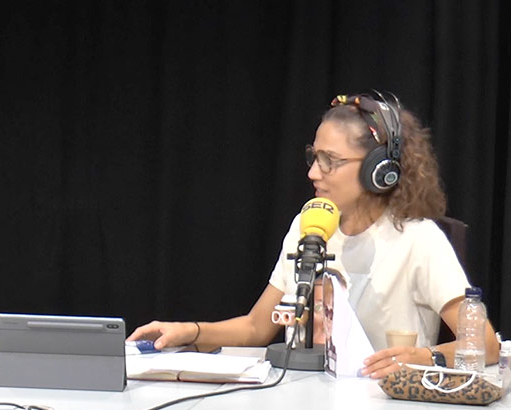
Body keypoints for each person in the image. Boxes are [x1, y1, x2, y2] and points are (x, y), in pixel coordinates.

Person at [128, 92, 500, 377]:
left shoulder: (418, 239)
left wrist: (424, 357)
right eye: (314, 157)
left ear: (378, 168)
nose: (313, 173)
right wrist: (188, 331)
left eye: (330, 161)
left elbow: (485, 344)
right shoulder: (308, 225)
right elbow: (257, 327)